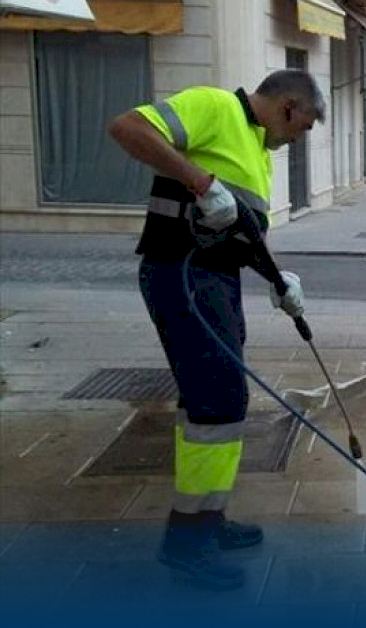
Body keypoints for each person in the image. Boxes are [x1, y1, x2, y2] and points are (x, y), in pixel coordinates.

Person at [108, 70, 323, 589]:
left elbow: (239, 229)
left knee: (208, 403)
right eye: (302, 128)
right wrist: (199, 181)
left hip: (215, 280)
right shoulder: (214, 106)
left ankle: (208, 515)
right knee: (220, 400)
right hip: (183, 272)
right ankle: (188, 544)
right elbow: (127, 128)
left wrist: (278, 278)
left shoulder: (256, 148)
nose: (296, 140)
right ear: (289, 107)